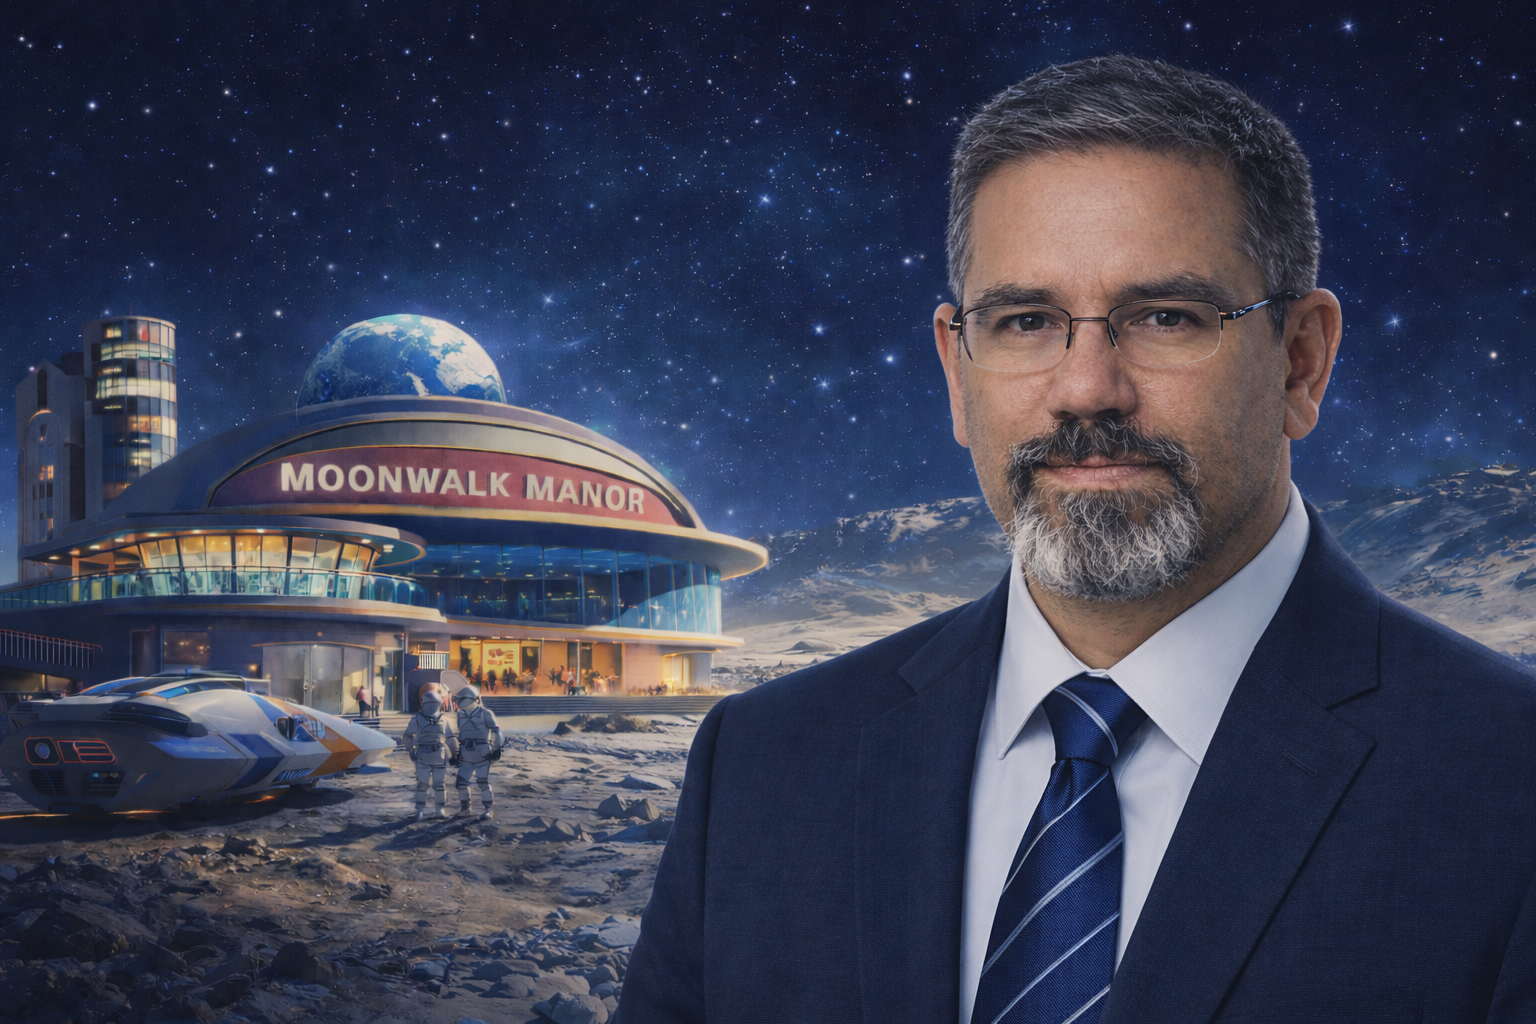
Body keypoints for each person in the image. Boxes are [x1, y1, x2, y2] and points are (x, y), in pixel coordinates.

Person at [616, 56, 1536, 1024]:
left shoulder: (1507, 783)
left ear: (1300, 362)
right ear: (955, 369)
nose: (1087, 387)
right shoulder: (766, 764)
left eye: (1167, 317)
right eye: (1025, 321)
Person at [400, 690, 458, 821]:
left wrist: (411, 751)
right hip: (432, 754)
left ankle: (436, 809)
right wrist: (454, 754)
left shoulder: (426, 719)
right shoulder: (420, 719)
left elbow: (451, 739)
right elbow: (408, 737)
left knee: (429, 784)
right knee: (429, 784)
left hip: (433, 754)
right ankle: (423, 810)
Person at [452, 683, 503, 820]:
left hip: (482, 753)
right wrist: (456, 752)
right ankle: (465, 808)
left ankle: (487, 809)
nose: (461, 701)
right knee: (461, 783)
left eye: (464, 698)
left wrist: (496, 748)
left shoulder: (485, 713)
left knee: (482, 781)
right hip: (465, 754)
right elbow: (461, 732)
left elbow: (496, 731)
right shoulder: (460, 714)